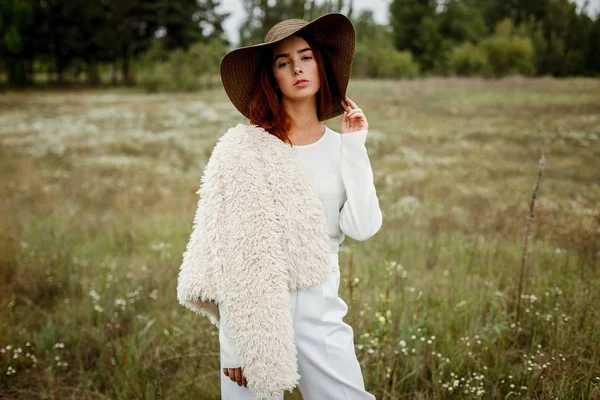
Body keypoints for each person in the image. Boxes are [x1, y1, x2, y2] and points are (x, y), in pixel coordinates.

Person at [177, 12, 382, 400]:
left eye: (305, 57)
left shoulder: (342, 149)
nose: (297, 68)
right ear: (272, 77)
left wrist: (355, 147)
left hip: (320, 305)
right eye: (283, 62)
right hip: (254, 313)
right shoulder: (243, 150)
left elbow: (363, 226)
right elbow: (231, 254)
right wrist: (238, 344)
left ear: (321, 65)